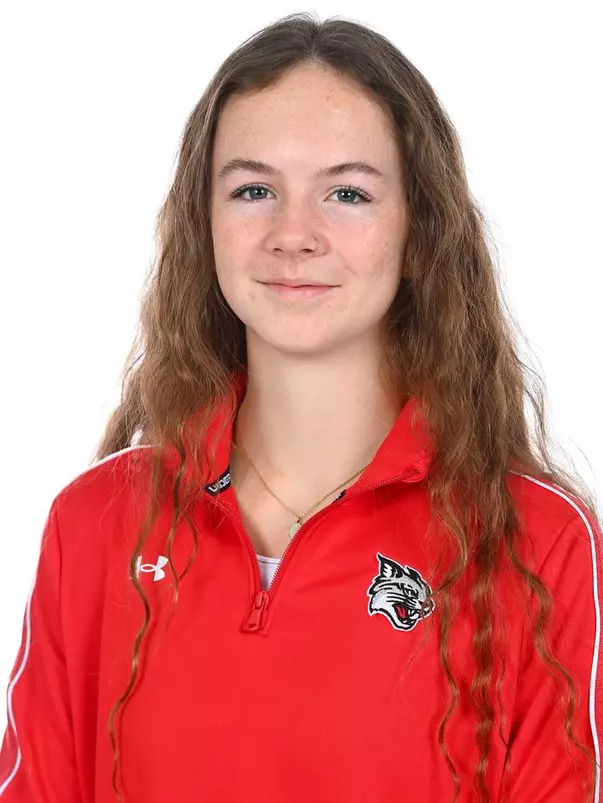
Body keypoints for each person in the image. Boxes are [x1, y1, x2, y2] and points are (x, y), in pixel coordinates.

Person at [0, 11, 601, 803]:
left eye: (346, 193)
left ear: (417, 227)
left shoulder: (536, 541)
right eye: (253, 189)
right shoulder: (97, 523)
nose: (294, 233)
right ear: (203, 221)